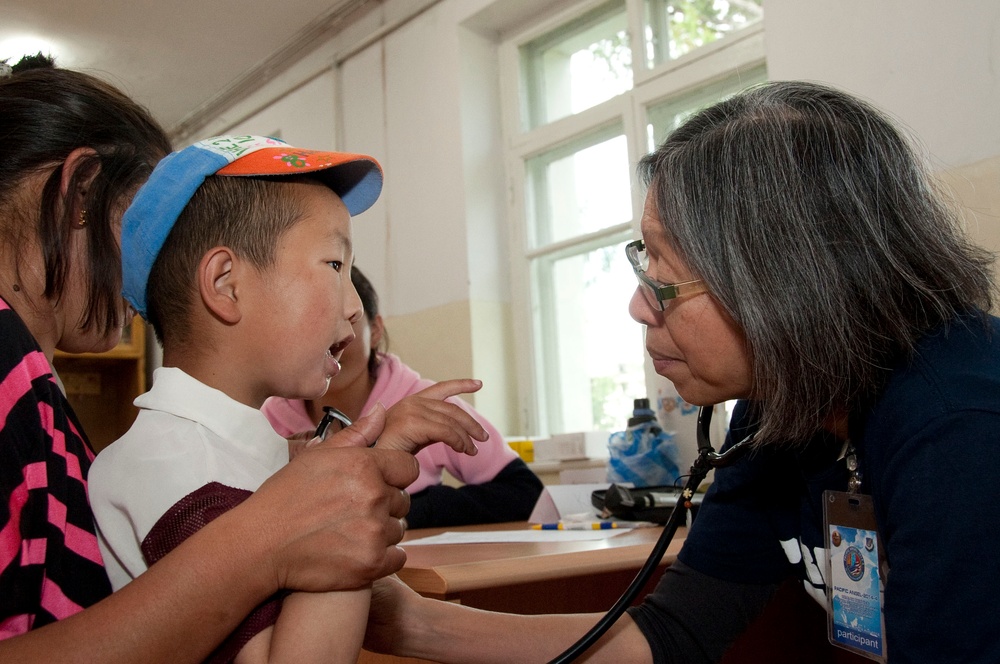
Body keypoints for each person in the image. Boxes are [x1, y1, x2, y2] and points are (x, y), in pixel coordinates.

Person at [360, 80, 1000, 663]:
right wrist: (410, 624)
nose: (640, 306)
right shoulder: (780, 406)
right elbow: (671, 634)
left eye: (663, 272)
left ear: (785, 278)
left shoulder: (961, 427)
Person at [0, 56, 419, 663]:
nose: (154, 257)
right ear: (81, 193)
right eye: (142, 220)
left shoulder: (34, 384)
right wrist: (295, 528)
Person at [86, 135, 488, 664]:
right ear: (226, 284)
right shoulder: (171, 463)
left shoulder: (252, 453)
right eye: (333, 266)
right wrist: (359, 481)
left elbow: (381, 617)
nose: (352, 308)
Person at [263, 265, 544, 528]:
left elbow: (525, 492)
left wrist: (414, 508)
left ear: (375, 331)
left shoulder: (424, 405)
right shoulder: (267, 421)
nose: (326, 343)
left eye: (345, 320)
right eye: (310, 323)